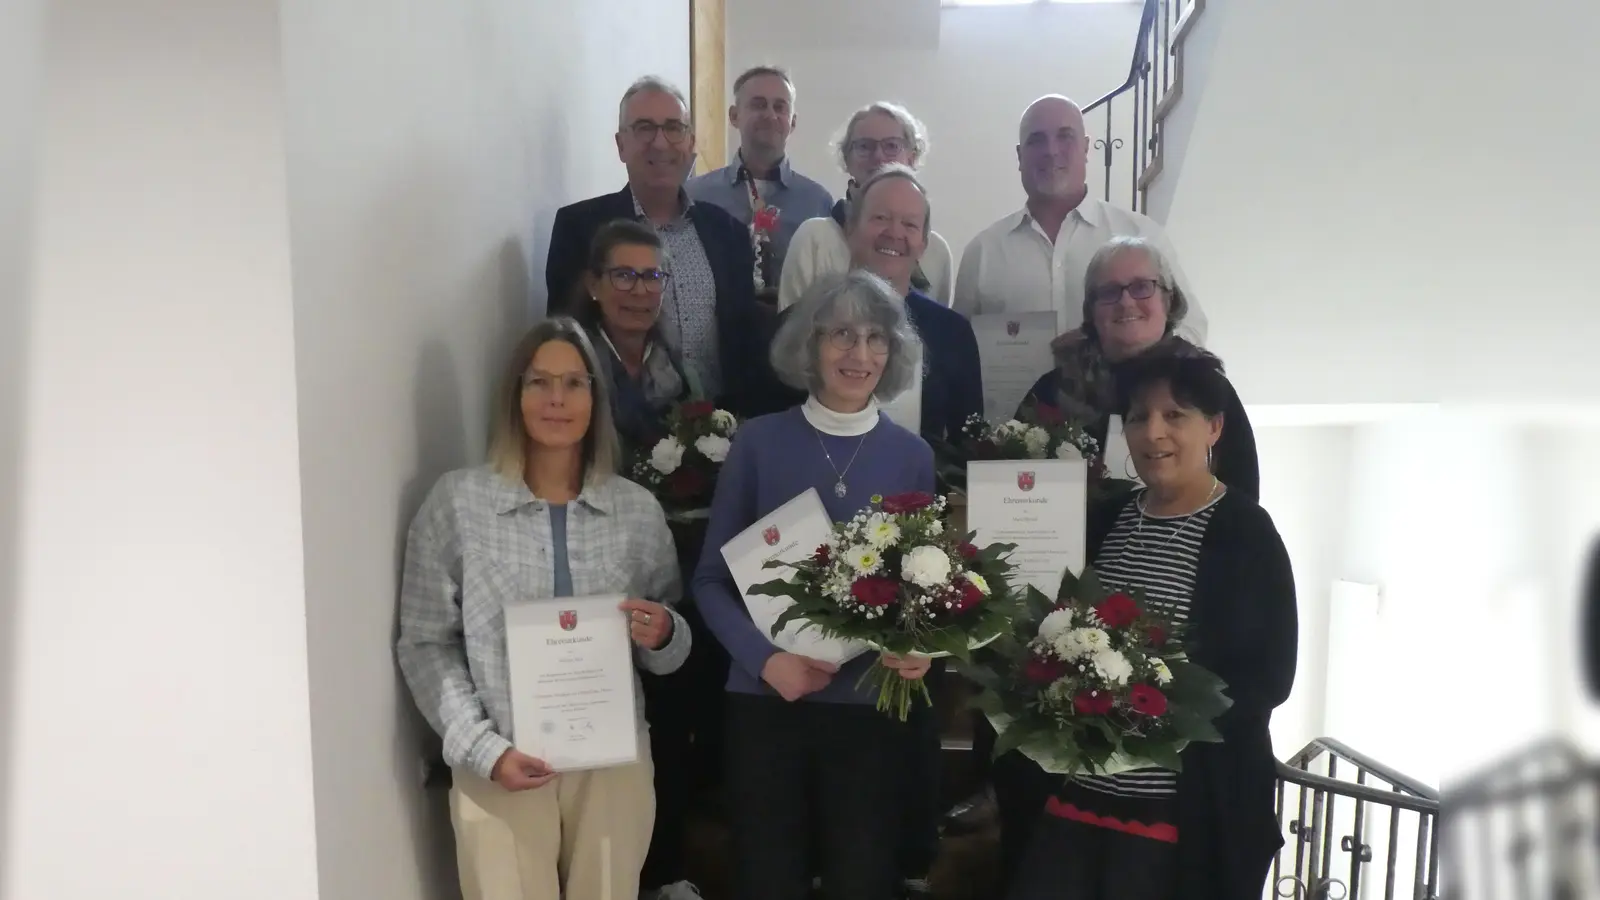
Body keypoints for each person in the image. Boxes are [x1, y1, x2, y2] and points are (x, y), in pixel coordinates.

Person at [396, 318, 691, 900]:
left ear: (596, 398)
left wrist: (662, 634)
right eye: (539, 382)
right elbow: (426, 643)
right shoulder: (458, 502)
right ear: (515, 395)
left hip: (611, 762)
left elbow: (668, 644)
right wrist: (483, 748)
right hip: (501, 759)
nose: (557, 399)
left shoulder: (637, 511)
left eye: (574, 383)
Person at [1006, 351, 1297, 900]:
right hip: (1077, 797)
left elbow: (1270, 678)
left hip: (1176, 816)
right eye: (1138, 416)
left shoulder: (1245, 531)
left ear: (1214, 427)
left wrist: (1148, 711)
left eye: (1175, 415)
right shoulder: (1108, 517)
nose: (1153, 432)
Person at [692, 270, 938, 900]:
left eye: (876, 338)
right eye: (842, 335)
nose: (860, 355)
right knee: (768, 878)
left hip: (867, 708)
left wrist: (919, 648)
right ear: (810, 344)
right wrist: (766, 661)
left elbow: (922, 588)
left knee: (862, 879)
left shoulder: (911, 457)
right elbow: (711, 581)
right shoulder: (758, 443)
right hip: (767, 698)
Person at [567, 220, 723, 900]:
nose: (638, 291)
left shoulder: (679, 366)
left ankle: (669, 868)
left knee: (676, 711)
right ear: (595, 286)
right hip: (596, 557)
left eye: (651, 276)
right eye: (623, 275)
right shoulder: (573, 361)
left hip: (672, 563)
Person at [545, 76, 768, 418]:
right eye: (645, 128)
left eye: (673, 128)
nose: (660, 143)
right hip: (614, 431)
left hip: (722, 431)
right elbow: (563, 340)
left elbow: (744, 344)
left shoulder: (729, 233)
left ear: (690, 142)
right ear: (621, 145)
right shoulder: (580, 228)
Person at [953, 94, 1207, 344]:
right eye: (1037, 140)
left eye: (1065, 136)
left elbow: (1191, 328)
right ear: (1020, 156)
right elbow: (957, 348)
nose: (1051, 151)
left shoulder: (1143, 236)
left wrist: (1133, 361)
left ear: (1086, 148)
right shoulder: (982, 252)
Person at [778, 102, 955, 310]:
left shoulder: (936, 251)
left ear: (912, 156)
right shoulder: (814, 238)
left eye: (891, 145)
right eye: (864, 146)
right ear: (847, 159)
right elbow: (790, 330)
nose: (879, 156)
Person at [686, 65, 835, 303]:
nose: (770, 115)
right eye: (758, 104)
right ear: (734, 116)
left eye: (780, 106)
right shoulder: (695, 195)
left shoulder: (818, 202)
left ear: (792, 122)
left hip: (795, 335)